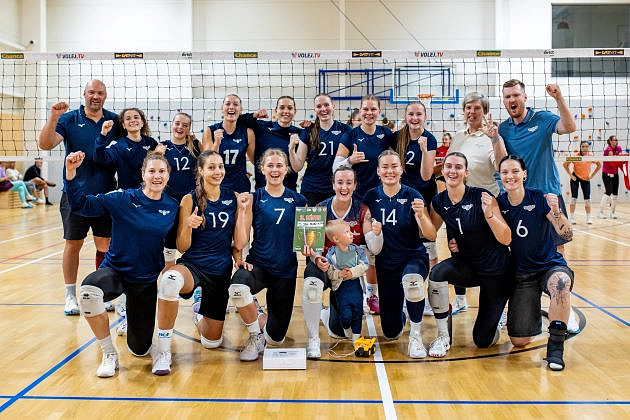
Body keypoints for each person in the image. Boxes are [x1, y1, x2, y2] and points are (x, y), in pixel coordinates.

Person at [66, 151, 178, 377]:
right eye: (152, 171)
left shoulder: (173, 206)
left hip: (145, 281)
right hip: (115, 271)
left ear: (168, 175)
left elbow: (172, 242)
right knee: (88, 293)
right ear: (143, 174)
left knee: (140, 350)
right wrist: (70, 173)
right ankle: (109, 353)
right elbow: (81, 205)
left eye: (161, 171)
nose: (157, 176)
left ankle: (148, 342)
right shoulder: (123, 199)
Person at [152, 151, 248, 375]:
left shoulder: (233, 197)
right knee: (169, 280)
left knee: (211, 342)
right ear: (201, 171)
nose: (218, 171)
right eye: (211, 167)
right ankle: (163, 350)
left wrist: (242, 212)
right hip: (193, 265)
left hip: (220, 271)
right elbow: (182, 247)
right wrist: (187, 225)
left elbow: (239, 242)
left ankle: (198, 313)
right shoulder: (189, 199)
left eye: (220, 167)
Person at [38, 80, 120, 316]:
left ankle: (103, 292)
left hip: (106, 195)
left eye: (100, 93)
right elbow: (45, 143)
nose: (95, 96)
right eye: (91, 92)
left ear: (105, 96)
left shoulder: (113, 121)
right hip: (75, 194)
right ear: (84, 94)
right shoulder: (69, 119)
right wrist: (54, 117)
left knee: (105, 245)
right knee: (73, 244)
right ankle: (70, 296)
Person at [427, 152, 512, 357]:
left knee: (482, 341)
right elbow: (430, 233)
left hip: (495, 270)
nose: (453, 171)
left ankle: (498, 317)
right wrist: (420, 215)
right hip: (468, 267)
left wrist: (489, 215)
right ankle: (443, 336)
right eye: (449, 166)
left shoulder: (481, 196)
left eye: (458, 167)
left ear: (466, 173)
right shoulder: (439, 201)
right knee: (437, 273)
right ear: (442, 170)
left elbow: (506, 238)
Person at [228, 149, 308, 361]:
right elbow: (240, 242)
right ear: (262, 169)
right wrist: (242, 211)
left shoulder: (299, 200)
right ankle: (255, 336)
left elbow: (306, 243)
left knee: (276, 338)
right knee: (238, 288)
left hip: (286, 271)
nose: (275, 170)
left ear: (287, 169)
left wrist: (310, 248)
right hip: (258, 265)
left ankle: (259, 314)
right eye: (270, 165)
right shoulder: (254, 198)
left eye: (279, 165)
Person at [497, 155, 574, 371]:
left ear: (524, 174)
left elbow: (567, 234)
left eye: (515, 171)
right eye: (505, 172)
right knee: (519, 341)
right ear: (500, 176)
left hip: (550, 266)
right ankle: (537, 313)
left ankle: (555, 348)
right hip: (522, 274)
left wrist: (557, 211)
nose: (510, 176)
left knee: (561, 283)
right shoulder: (499, 203)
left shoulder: (538, 197)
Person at [361, 150, 437, 358]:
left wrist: (421, 216)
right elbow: (366, 233)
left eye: (394, 166)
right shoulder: (371, 197)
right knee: (391, 332)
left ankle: (416, 336)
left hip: (413, 257)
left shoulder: (413, 195)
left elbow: (431, 234)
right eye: (385, 167)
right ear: (378, 171)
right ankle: (402, 314)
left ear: (401, 169)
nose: (390, 171)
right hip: (386, 264)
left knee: (412, 281)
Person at [301, 166, 377, 359]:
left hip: (349, 277)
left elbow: (374, 249)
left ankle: (329, 313)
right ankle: (313, 339)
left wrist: (377, 234)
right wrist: (316, 257)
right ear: (333, 184)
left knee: (340, 331)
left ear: (355, 185)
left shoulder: (362, 210)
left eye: (349, 183)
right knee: (311, 282)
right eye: (340, 182)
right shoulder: (319, 208)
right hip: (327, 268)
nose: (344, 187)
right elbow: (311, 247)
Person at [497, 80, 577, 249]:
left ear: (525, 97)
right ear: (504, 101)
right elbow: (501, 163)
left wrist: (559, 98)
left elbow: (570, 127)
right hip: (520, 198)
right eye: (508, 96)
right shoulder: (502, 129)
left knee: (557, 247)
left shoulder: (542, 118)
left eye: (516, 95)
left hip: (548, 194)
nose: (512, 99)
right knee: (521, 247)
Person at [448, 92, 508, 313]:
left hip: (485, 204)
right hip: (458, 204)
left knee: (491, 256)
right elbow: (450, 168)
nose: (472, 112)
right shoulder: (457, 137)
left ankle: (497, 308)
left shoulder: (491, 137)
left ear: (484, 112)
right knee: (457, 250)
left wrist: (495, 139)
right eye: (468, 108)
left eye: (477, 108)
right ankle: (460, 299)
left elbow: (501, 166)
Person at [335, 95, 395, 314]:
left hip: (379, 197)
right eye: (365, 109)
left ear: (379, 112)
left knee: (375, 249)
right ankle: (350, 292)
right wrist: (350, 161)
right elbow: (335, 168)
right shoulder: (350, 135)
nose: (369, 113)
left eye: (373, 109)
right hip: (356, 199)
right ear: (359, 112)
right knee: (354, 247)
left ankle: (372, 294)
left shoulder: (386, 134)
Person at [288, 93, 351, 205]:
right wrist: (291, 149)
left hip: (337, 187)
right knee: (311, 217)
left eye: (326, 105)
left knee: (334, 217)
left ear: (333, 106)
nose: (323, 109)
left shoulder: (346, 130)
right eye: (319, 106)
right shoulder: (307, 132)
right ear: (315, 109)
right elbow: (297, 167)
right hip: (311, 188)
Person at [160, 112, 202, 268]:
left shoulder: (195, 146)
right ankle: (167, 274)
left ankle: (193, 272)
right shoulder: (163, 146)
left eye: (185, 125)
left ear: (189, 128)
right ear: (172, 125)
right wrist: (158, 154)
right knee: (169, 239)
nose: (180, 127)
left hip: (190, 199)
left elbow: (208, 159)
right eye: (177, 123)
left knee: (192, 234)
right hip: (168, 199)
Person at [94, 108, 163, 189]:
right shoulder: (118, 145)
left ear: (142, 123)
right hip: (127, 193)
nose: (133, 120)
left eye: (136, 117)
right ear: (123, 125)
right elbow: (99, 158)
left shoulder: (151, 142)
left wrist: (158, 154)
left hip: (149, 191)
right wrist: (103, 134)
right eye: (128, 118)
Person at [324, 219, 369, 343]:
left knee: (357, 312)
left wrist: (352, 272)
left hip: (356, 287)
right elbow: (329, 272)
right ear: (336, 239)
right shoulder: (331, 255)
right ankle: (346, 327)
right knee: (346, 315)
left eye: (350, 231)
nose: (351, 234)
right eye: (347, 232)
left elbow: (365, 265)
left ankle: (356, 338)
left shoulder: (358, 251)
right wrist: (338, 274)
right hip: (341, 290)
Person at [202, 94, 255, 193]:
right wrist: (216, 143)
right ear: (222, 108)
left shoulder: (248, 132)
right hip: (217, 184)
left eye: (235, 104)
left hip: (240, 185)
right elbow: (206, 161)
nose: (231, 107)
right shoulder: (210, 131)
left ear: (241, 109)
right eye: (227, 104)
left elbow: (254, 160)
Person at [248, 96, 302, 191]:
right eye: (282, 107)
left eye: (290, 108)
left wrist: (312, 126)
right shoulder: (262, 127)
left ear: (295, 111)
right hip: (263, 190)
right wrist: (254, 115)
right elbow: (239, 120)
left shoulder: (299, 133)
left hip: (288, 191)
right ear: (276, 110)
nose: (286, 111)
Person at [562, 141, 601, 224]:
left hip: (586, 178)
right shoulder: (575, 156)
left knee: (587, 200)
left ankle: (588, 218)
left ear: (588, 148)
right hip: (575, 178)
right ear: (580, 147)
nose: (584, 148)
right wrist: (571, 175)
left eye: (586, 146)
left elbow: (599, 165)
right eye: (583, 146)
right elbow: (565, 164)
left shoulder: (590, 156)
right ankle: (571, 218)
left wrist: (592, 175)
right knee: (573, 199)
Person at [599, 135, 624, 219]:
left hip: (615, 173)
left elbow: (620, 159)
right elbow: (612, 158)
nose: (615, 141)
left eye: (616, 140)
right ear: (610, 141)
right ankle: (600, 212)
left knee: (615, 193)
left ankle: (612, 213)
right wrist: (622, 155)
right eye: (613, 140)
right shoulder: (608, 149)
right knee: (608, 191)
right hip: (606, 173)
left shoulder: (619, 148)